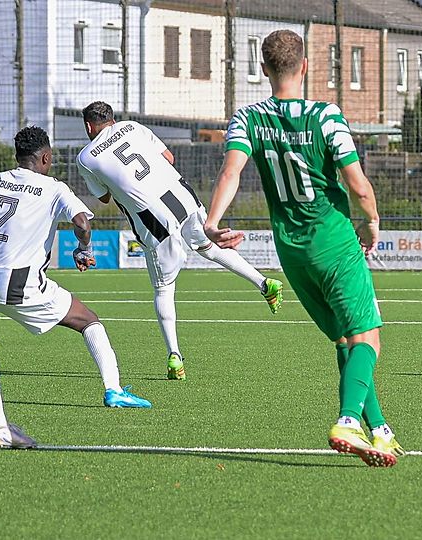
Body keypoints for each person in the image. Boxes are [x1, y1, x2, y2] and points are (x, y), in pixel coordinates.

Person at [204, 29, 403, 467]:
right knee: (368, 338)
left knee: (345, 339)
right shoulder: (326, 116)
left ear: (263, 69)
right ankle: (348, 420)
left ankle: (380, 429)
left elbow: (230, 173)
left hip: (291, 251)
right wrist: (371, 221)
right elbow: (358, 185)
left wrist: (212, 223)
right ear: (306, 67)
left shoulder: (248, 118)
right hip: (334, 242)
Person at [76, 101, 284, 380]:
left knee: (163, 288)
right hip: (181, 195)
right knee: (208, 246)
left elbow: (103, 197)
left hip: (152, 215)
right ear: (112, 119)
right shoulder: (132, 127)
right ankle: (264, 283)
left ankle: (174, 355)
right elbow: (169, 158)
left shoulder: (86, 157)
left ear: (89, 126)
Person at [0, 125, 151, 412]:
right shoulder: (54, 188)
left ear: (18, 156)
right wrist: (84, 250)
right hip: (21, 286)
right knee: (88, 320)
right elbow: (82, 223)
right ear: (46, 158)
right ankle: (114, 390)